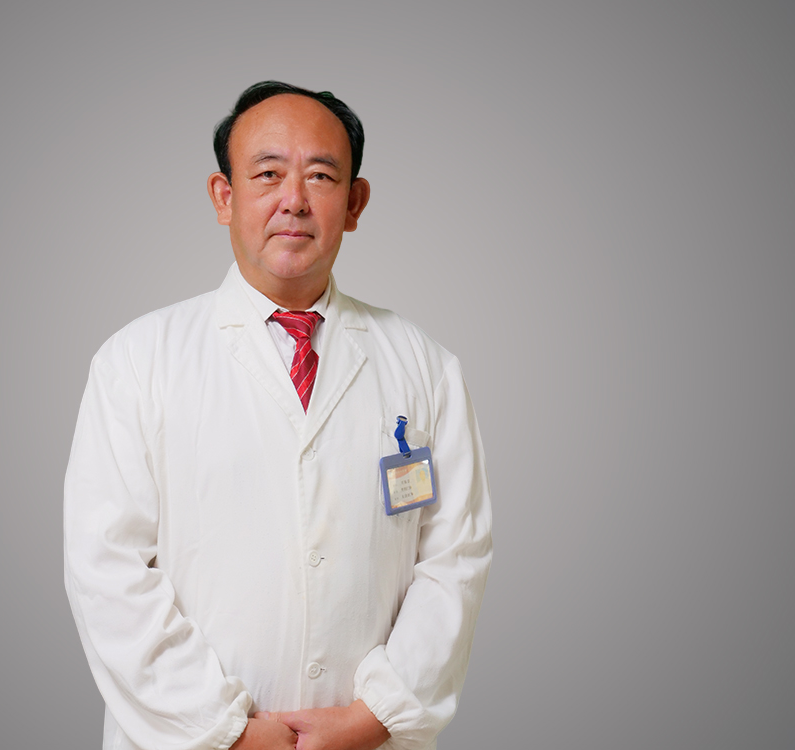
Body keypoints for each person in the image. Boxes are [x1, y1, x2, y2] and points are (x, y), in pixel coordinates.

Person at [64, 81, 493, 750]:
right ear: (224, 196)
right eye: (268, 174)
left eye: (320, 176)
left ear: (355, 203)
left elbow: (454, 559)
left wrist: (375, 716)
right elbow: (107, 570)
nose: (294, 200)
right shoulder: (137, 361)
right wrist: (226, 730)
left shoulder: (424, 366)